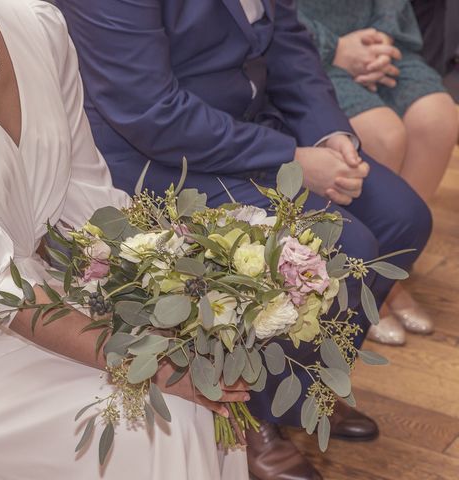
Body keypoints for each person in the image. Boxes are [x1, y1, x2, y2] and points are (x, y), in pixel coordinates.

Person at [0, 0, 252, 478]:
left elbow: (89, 195)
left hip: (53, 297)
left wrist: (175, 296)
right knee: (168, 419)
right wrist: (153, 363)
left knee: (196, 395)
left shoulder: (36, 23)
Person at [53, 1, 433, 478]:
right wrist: (289, 157)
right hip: (165, 159)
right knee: (345, 245)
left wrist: (328, 134)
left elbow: (289, 43)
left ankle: (304, 386)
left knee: (403, 218)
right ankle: (251, 413)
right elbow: (148, 109)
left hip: (252, 127)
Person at [297, 0, 459, 345]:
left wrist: (381, 41)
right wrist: (336, 47)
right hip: (309, 50)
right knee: (384, 134)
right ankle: (362, 282)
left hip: (377, 42)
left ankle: (389, 272)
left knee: (439, 118)